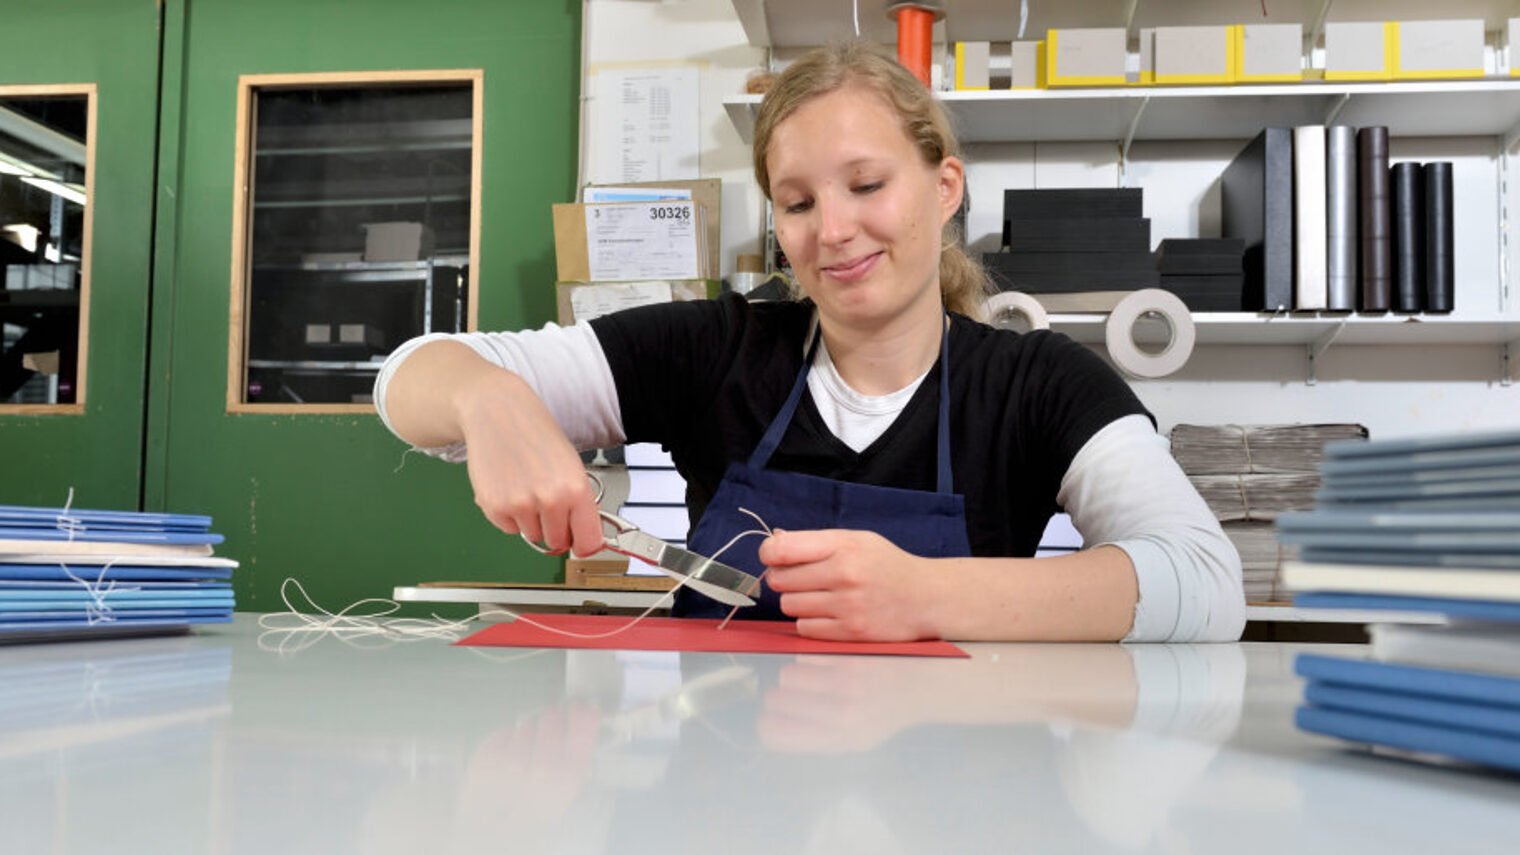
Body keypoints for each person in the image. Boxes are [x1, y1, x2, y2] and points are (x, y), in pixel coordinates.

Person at [375, 41, 1245, 643]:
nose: (834, 229)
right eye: (797, 202)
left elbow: (1207, 583)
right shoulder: (716, 346)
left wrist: (927, 592)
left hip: (961, 797)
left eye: (866, 183)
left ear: (945, 187)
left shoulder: (1038, 384)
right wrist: (486, 397)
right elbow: (406, 380)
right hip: (725, 795)